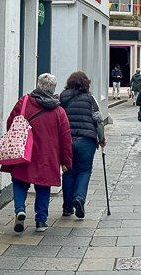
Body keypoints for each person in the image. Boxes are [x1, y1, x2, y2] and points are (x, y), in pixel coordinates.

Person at [1, 73, 73, 233]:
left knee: (20, 181)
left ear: (38, 86)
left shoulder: (24, 102)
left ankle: (20, 209)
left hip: (24, 152)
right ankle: (41, 221)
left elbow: (10, 123)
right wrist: (66, 161)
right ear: (53, 90)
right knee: (43, 186)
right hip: (47, 156)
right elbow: (65, 138)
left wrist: (18, 140)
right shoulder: (59, 111)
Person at [59, 71, 107, 218]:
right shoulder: (90, 99)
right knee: (84, 170)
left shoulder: (61, 97)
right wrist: (101, 137)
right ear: (86, 83)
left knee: (68, 172)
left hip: (67, 141)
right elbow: (98, 119)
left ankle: (67, 207)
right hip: (87, 141)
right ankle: (79, 198)